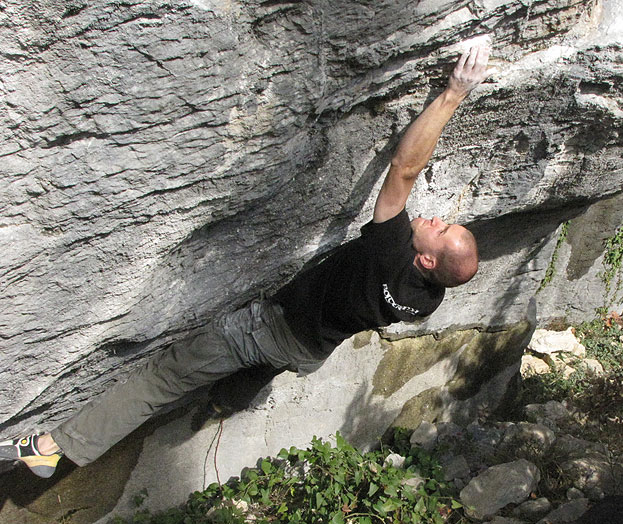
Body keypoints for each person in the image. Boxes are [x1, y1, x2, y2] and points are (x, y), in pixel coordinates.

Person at [1, 43, 490, 479]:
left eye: (440, 229)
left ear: (424, 260)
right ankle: (222, 402)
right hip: (307, 351)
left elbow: (405, 168)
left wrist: (454, 93)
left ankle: (52, 448)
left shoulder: (389, 252)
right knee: (262, 367)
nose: (433, 218)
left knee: (163, 380)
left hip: (267, 327)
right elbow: (432, 251)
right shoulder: (426, 299)